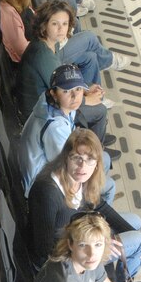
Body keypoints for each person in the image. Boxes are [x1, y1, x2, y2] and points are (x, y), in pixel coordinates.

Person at [28, 128, 141, 277]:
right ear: (66, 158)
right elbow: (44, 252)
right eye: (76, 158)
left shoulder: (81, 179)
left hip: (80, 235)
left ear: (96, 164)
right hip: (65, 260)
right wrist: (97, 247)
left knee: (135, 222)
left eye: (89, 159)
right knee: (138, 241)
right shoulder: (47, 191)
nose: (83, 166)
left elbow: (100, 205)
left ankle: (120, 273)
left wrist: (122, 232)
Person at [0, 0, 130, 74]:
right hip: (42, 58)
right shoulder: (8, 13)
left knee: (90, 57)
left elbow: (36, 19)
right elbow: (24, 52)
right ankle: (109, 60)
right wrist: (53, 40)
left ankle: (92, 95)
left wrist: (55, 28)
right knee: (89, 38)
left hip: (46, 44)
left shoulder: (19, 1)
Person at [17, 0, 128, 128]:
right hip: (38, 115)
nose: (61, 29)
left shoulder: (51, 42)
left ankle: (89, 125)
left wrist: (85, 89)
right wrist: (88, 99)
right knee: (100, 111)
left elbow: (63, 84)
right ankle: (93, 143)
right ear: (44, 25)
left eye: (65, 24)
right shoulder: (43, 56)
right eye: (55, 24)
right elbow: (63, 95)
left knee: (90, 57)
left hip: (50, 100)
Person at [19, 64, 115, 201]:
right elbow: (66, 168)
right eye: (66, 91)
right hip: (41, 186)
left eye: (78, 89)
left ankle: (91, 200)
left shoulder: (51, 102)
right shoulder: (55, 128)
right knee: (109, 185)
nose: (75, 96)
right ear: (54, 94)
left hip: (48, 168)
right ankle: (91, 213)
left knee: (103, 158)